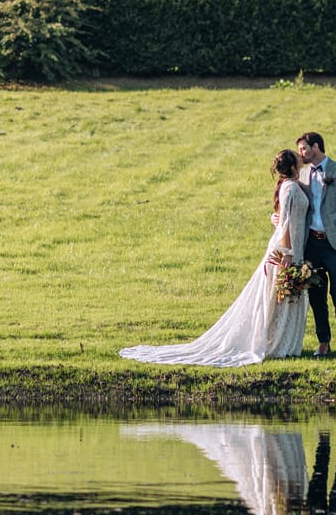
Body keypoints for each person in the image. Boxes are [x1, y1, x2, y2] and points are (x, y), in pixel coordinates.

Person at [119, 150, 310, 366]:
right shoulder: (290, 188)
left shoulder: (292, 184)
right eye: (297, 156)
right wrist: (287, 252)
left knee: (283, 295)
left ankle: (282, 342)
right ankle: (275, 343)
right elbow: (285, 223)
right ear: (292, 166)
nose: (300, 157)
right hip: (285, 250)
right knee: (278, 295)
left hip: (293, 247)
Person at [295, 131, 336, 358]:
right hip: (311, 243)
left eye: (304, 148)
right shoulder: (303, 174)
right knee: (316, 294)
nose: (301, 153)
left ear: (316, 147)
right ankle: (323, 342)